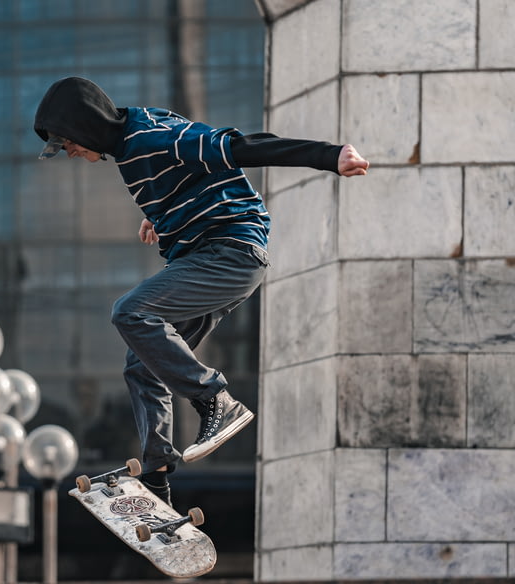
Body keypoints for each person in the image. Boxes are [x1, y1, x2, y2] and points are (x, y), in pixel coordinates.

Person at [34, 76, 369, 504]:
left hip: (230, 254)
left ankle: (215, 399)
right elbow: (188, 184)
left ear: (86, 127)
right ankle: (157, 477)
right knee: (143, 363)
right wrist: (165, 217)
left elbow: (239, 147)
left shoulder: (156, 137)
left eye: (70, 145)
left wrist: (329, 155)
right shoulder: (129, 150)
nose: (73, 154)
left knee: (131, 312)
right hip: (207, 258)